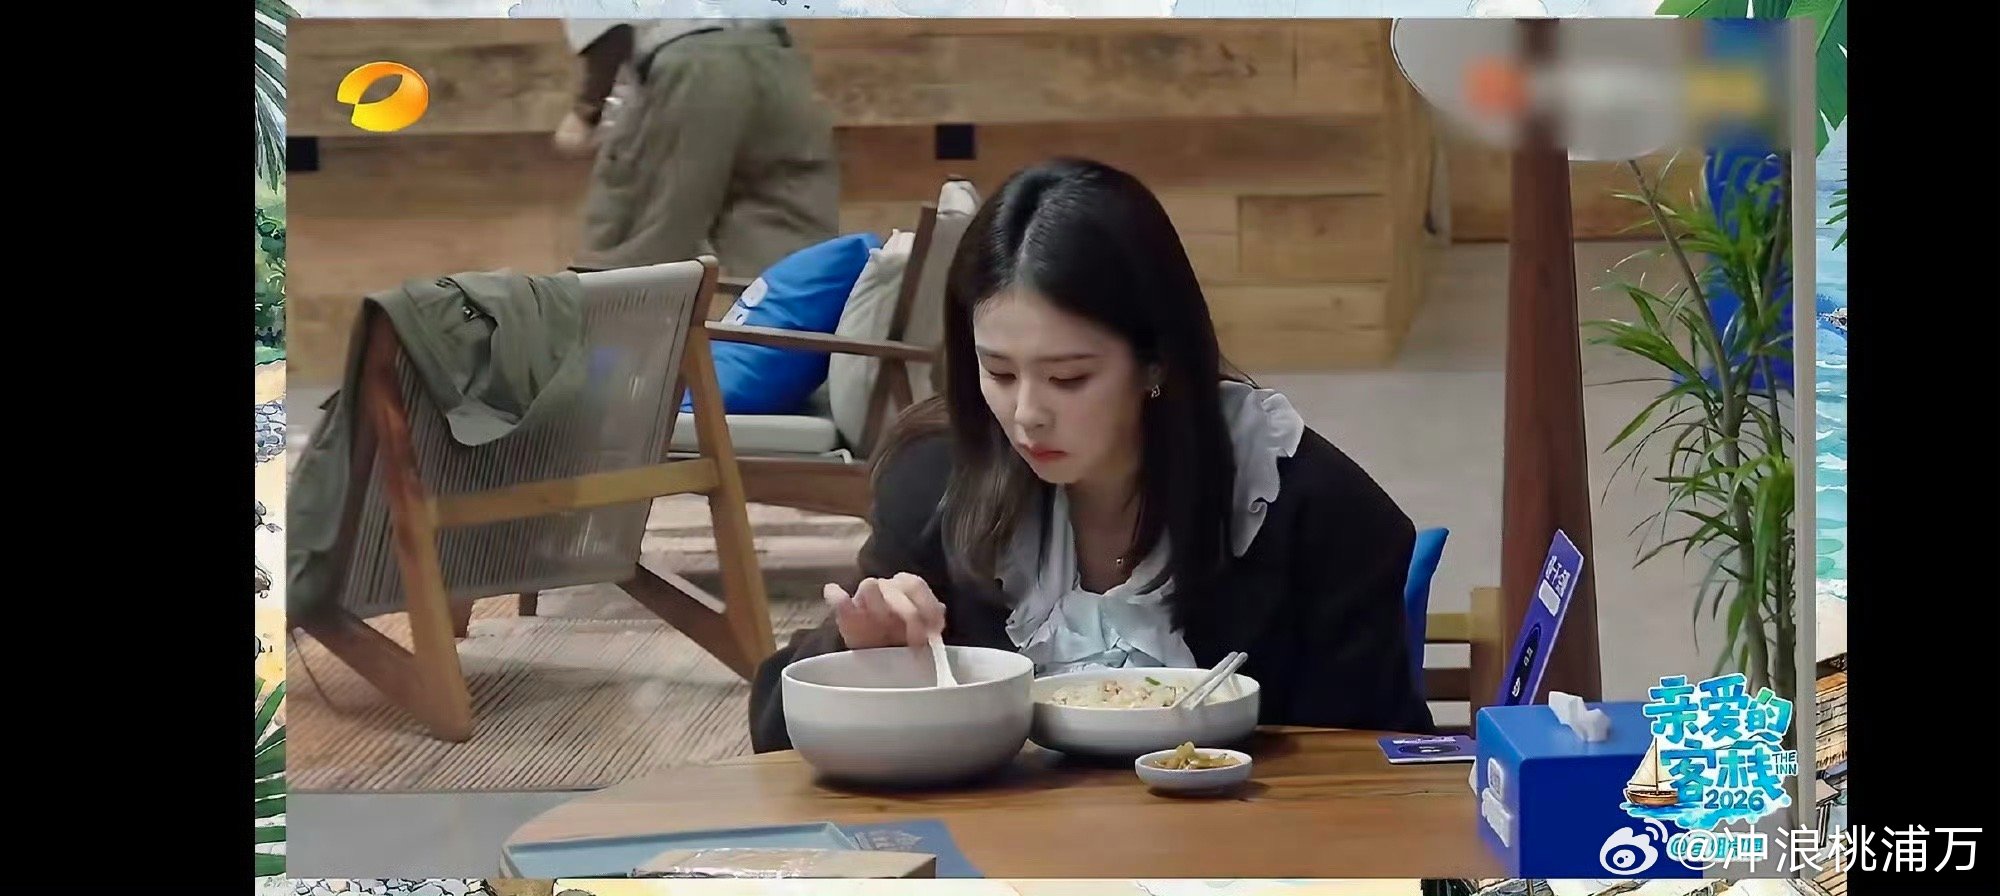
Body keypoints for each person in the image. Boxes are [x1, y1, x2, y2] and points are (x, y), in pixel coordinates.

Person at [747, 158, 1436, 753]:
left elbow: (1373, 766)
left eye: (1069, 377)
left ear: (1156, 362)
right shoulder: (938, 478)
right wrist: (859, 657)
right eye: (999, 372)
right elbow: (773, 733)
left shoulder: (1305, 505)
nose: (1027, 414)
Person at [555, 18, 839, 276]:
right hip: (777, 61)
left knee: (634, 241)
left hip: (690, 62)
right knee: (785, 241)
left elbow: (610, 32)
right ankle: (794, 312)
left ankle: (623, 316)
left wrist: (586, 112)